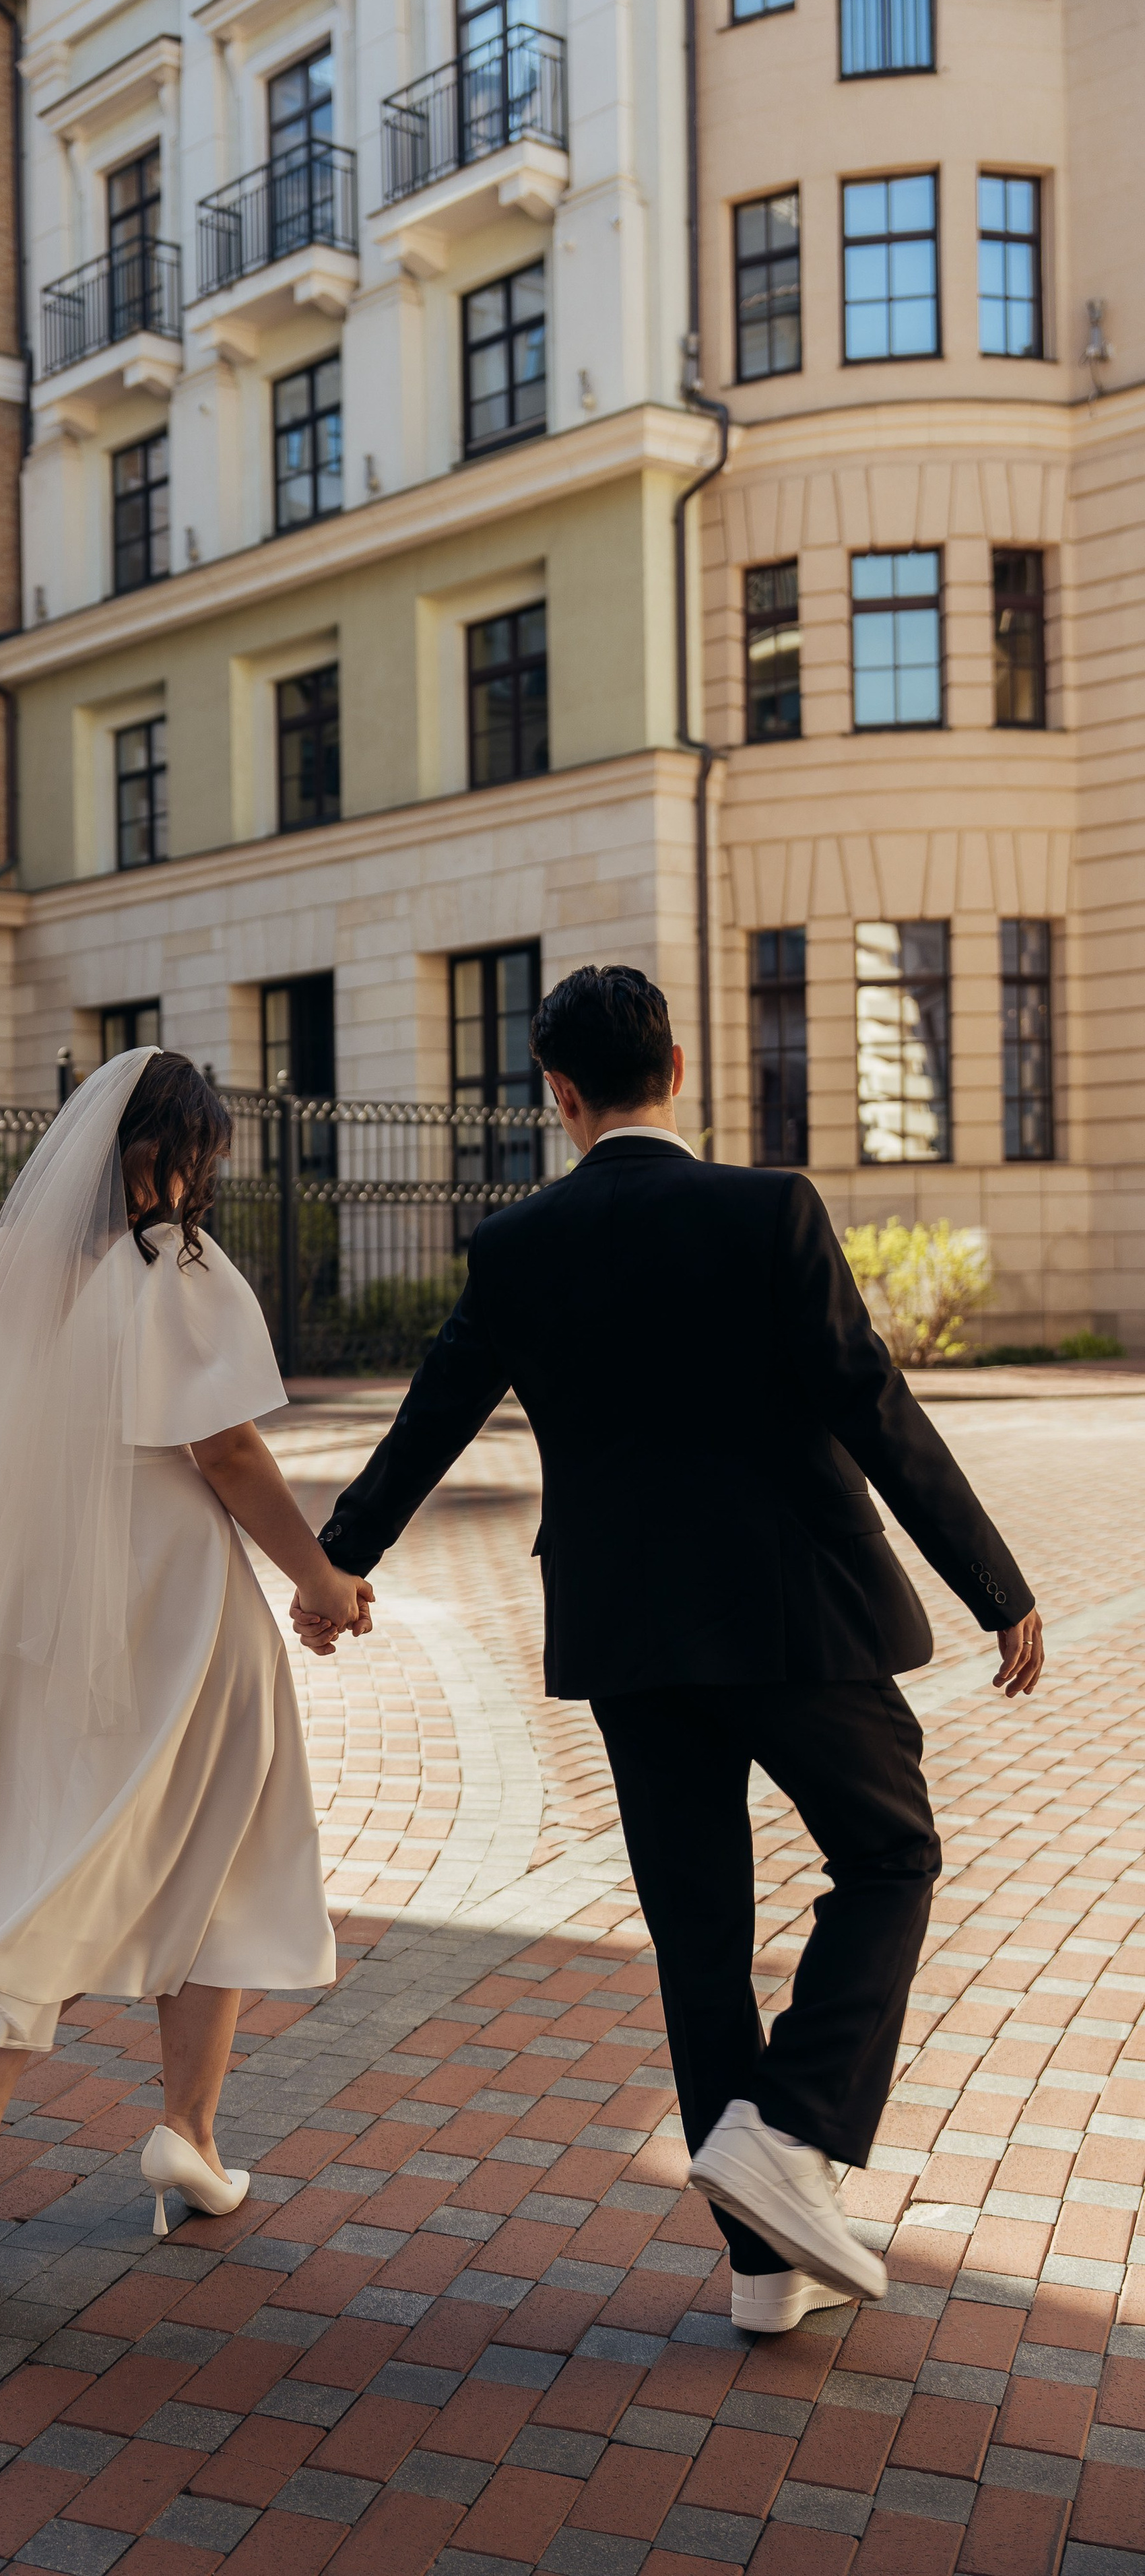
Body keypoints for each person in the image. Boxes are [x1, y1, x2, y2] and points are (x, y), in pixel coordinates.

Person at [297, 965, 1043, 2334]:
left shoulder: (517, 1249)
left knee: (697, 1940)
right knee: (888, 1856)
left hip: (630, 1638)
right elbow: (871, 1407)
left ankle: (759, 2271)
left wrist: (342, 1560)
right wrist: (990, 1582)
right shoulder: (766, 1210)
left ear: (557, 1095)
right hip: (795, 1620)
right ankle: (792, 2123)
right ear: (680, 1070)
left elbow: (431, 1415)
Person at [0, 1049, 372, 2244]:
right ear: (177, 1152)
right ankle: (156, 2129)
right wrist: (325, 1581)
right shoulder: (175, 1268)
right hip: (176, 1591)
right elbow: (226, 1453)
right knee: (215, 1834)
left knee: (77, 1836)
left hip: (41, 1598)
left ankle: (98, 2122)